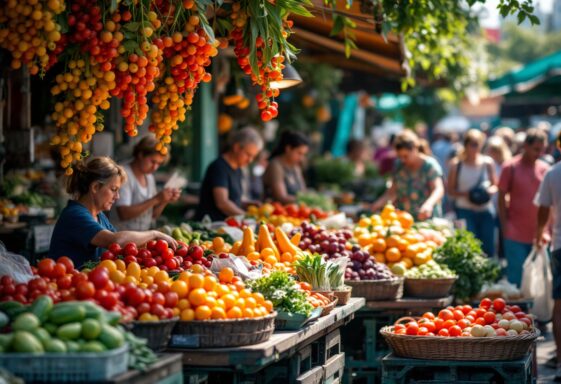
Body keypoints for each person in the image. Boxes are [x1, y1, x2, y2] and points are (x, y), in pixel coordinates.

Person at [49, 157, 177, 268]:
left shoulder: (99, 216)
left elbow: (123, 248)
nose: (117, 197)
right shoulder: (75, 215)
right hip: (69, 286)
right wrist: (154, 234)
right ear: (95, 187)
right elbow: (116, 241)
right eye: (113, 189)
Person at [499, 128, 550, 287]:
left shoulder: (545, 169)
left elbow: (550, 203)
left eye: (541, 150)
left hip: (540, 234)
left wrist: (548, 230)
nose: (539, 153)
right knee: (516, 281)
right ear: (525, 146)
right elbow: (501, 198)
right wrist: (504, 225)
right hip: (515, 234)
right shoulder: (510, 167)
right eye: (536, 149)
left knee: (539, 282)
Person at [534, 131, 561, 381]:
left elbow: (543, 209)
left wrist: (538, 234)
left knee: (560, 305)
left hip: (560, 246)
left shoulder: (553, 173)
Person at [110, 136, 180, 231]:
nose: (155, 167)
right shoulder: (123, 174)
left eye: (159, 164)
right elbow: (123, 213)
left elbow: (153, 215)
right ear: (141, 154)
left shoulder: (149, 177)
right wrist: (156, 199)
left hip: (141, 239)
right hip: (120, 238)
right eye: (153, 161)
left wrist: (165, 200)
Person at [372, 130, 444, 220]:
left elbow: (438, 189)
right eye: (399, 156)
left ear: (415, 149)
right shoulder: (399, 165)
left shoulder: (429, 165)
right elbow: (392, 192)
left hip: (426, 219)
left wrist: (428, 204)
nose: (402, 160)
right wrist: (376, 205)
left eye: (406, 156)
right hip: (404, 219)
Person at [447, 129, 498, 257]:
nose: (475, 147)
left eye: (478, 144)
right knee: (469, 247)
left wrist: (486, 192)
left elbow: (495, 185)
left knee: (488, 248)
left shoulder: (488, 163)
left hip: (485, 210)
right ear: (466, 145)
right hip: (465, 210)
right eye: (472, 144)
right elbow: (450, 190)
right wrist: (469, 194)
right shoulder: (456, 165)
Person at [195, 127, 263, 221]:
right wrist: (247, 217)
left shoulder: (238, 169)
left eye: (253, 157)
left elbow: (233, 199)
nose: (250, 160)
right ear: (237, 147)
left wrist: (247, 204)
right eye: (248, 154)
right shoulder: (219, 167)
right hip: (210, 226)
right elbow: (222, 203)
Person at [263, 130, 310, 204]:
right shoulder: (275, 165)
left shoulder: (296, 167)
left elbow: (303, 192)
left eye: (303, 154)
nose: (301, 158)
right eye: (299, 153)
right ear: (288, 149)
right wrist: (307, 201)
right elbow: (281, 197)